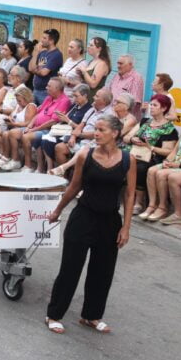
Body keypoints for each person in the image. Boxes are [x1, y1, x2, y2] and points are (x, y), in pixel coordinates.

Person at [45, 114, 135, 335]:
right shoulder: (85, 154)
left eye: (101, 130)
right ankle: (54, 315)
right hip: (83, 217)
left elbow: (130, 194)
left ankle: (91, 315)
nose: (96, 133)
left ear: (115, 133)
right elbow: (75, 186)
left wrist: (126, 227)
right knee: (70, 268)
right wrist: (58, 210)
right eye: (96, 129)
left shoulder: (127, 160)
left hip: (110, 221)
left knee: (102, 271)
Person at [140, 107, 181, 224]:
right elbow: (175, 150)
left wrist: (179, 165)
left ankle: (163, 208)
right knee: (152, 170)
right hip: (176, 163)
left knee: (162, 174)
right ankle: (152, 205)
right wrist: (167, 160)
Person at [122, 94, 177, 214]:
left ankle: (139, 202)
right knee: (117, 158)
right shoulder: (145, 121)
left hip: (152, 157)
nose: (151, 107)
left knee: (141, 168)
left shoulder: (169, 129)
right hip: (134, 152)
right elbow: (126, 137)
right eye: (151, 104)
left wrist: (150, 147)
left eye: (155, 105)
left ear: (163, 108)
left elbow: (168, 151)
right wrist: (132, 140)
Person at [48, 89, 114, 175]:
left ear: (104, 101)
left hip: (93, 143)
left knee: (81, 157)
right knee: (59, 147)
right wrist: (73, 137)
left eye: (97, 96)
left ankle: (72, 179)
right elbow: (81, 125)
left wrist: (80, 134)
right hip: (81, 139)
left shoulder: (109, 115)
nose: (93, 97)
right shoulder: (92, 109)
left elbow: (98, 134)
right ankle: (62, 178)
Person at [16, 77, 71, 173]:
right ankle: (33, 166)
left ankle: (28, 166)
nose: (46, 87)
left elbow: (53, 121)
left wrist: (34, 129)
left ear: (57, 88)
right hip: (36, 128)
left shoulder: (64, 101)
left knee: (26, 137)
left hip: (49, 130)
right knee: (13, 133)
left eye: (49, 86)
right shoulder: (49, 98)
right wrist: (29, 126)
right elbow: (38, 114)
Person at [39, 83, 93, 172]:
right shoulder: (74, 106)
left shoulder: (88, 109)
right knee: (45, 140)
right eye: (73, 96)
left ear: (85, 96)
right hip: (63, 131)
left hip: (73, 135)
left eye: (77, 96)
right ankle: (49, 167)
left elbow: (81, 128)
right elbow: (66, 118)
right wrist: (62, 117)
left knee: (53, 144)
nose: (74, 99)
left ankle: (61, 171)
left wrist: (68, 121)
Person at [0, 85, 37, 168]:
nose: (18, 102)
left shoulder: (30, 106)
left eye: (19, 100)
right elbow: (12, 115)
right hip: (13, 126)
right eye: (17, 100)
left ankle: (10, 158)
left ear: (26, 98)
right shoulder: (18, 105)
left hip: (21, 128)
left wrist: (14, 124)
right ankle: (2, 153)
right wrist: (9, 119)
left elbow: (27, 123)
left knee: (7, 134)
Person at [29, 29, 63, 105]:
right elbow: (30, 68)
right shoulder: (42, 52)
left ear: (51, 41)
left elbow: (44, 73)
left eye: (44, 38)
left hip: (45, 92)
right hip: (35, 89)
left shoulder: (56, 54)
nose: (41, 40)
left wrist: (35, 70)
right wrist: (36, 53)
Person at [109, 54, 145, 120]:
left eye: (121, 64)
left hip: (125, 118)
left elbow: (135, 103)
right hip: (112, 114)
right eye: (118, 63)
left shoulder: (136, 78)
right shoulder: (116, 76)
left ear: (130, 65)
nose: (118, 66)